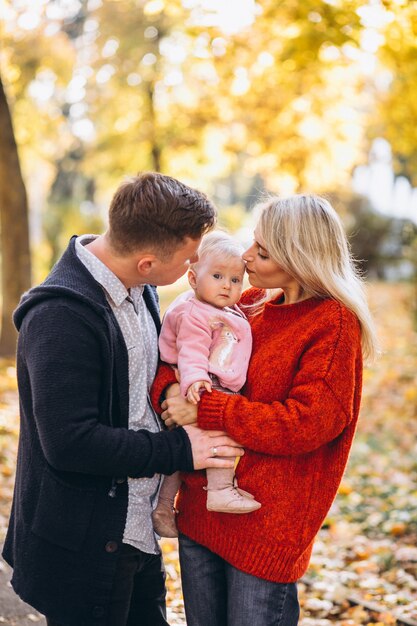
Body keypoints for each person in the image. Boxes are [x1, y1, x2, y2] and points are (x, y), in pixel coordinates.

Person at [2, 172, 245, 626]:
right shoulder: (59, 318)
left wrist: (174, 390)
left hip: (136, 531)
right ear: (149, 262)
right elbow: (72, 443)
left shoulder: (140, 288)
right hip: (85, 543)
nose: (195, 264)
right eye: (190, 258)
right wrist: (181, 450)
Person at [151, 194, 379, 626]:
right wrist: (171, 394)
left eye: (263, 250)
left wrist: (207, 409)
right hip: (201, 511)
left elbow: (306, 424)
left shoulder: (332, 324)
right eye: (253, 243)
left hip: (264, 524)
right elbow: (179, 348)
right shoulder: (246, 302)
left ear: (299, 258)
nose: (246, 255)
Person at [152, 232, 261, 539]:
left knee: (182, 454)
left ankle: (162, 507)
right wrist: (195, 379)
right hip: (201, 385)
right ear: (192, 279)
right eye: (217, 276)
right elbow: (192, 350)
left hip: (204, 382)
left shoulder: (222, 308)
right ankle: (221, 489)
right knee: (221, 436)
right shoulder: (194, 313)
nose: (227, 285)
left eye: (235, 279)